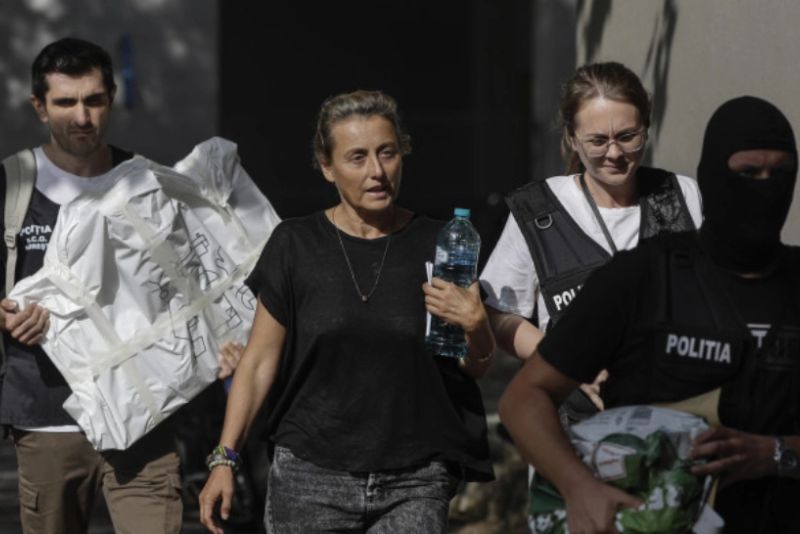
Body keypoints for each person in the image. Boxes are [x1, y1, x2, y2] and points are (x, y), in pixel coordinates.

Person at [499, 95, 800, 533]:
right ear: (714, 176)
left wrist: (776, 454)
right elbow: (524, 399)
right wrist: (579, 486)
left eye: (781, 173)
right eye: (748, 173)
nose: (765, 188)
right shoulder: (645, 276)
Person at [198, 89, 495, 534]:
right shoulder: (294, 245)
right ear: (327, 166)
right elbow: (258, 362)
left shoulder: (443, 244)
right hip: (309, 477)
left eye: (387, 153)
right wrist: (225, 458)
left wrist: (477, 327)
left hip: (415, 478)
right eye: (357, 157)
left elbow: (474, 366)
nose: (377, 171)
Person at [0, 37, 243, 534]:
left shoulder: (145, 182)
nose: (82, 116)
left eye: (93, 100)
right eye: (65, 102)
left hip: (147, 416)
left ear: (111, 97)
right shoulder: (10, 186)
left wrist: (223, 338)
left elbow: (191, 282)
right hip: (47, 419)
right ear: (39, 107)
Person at [480, 62, 702, 378]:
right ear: (572, 137)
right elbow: (500, 314)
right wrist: (563, 362)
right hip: (574, 404)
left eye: (628, 136)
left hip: (671, 397)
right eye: (597, 141)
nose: (614, 153)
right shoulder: (538, 211)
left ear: (646, 127)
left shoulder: (679, 195)